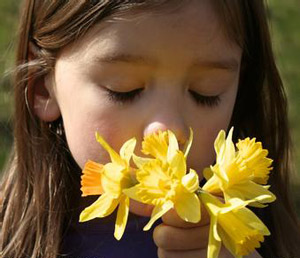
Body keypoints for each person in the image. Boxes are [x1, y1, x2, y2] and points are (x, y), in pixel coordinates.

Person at [1, 0, 300, 257]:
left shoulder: (248, 229)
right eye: (124, 89)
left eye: (205, 92)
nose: (168, 132)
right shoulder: (8, 235)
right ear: (42, 86)